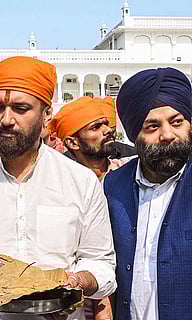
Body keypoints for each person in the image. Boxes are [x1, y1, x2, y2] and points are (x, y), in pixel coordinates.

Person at [0, 56, 117, 320]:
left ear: (46, 114)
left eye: (21, 108)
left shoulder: (80, 181)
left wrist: (76, 284)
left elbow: (101, 263)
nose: (6, 119)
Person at [104, 67, 192, 320]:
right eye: (152, 126)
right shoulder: (114, 186)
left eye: (177, 122)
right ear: (135, 135)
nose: (167, 135)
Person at [51, 96, 133, 182]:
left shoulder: (131, 170)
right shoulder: (64, 184)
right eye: (95, 127)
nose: (108, 130)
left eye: (106, 124)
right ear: (73, 143)